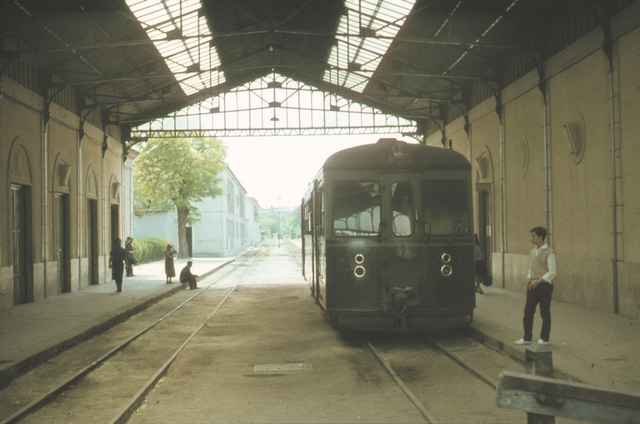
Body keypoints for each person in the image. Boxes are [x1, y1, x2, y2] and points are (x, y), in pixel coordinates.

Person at [515, 226, 557, 346]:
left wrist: (538, 281)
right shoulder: (532, 251)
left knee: (544, 313)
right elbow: (531, 267)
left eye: (533, 236)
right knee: (528, 312)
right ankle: (527, 337)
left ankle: (544, 339)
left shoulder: (549, 252)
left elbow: (552, 272)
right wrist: (529, 279)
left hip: (544, 287)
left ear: (540, 237)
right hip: (532, 285)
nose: (531, 238)